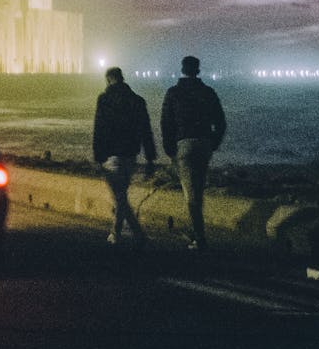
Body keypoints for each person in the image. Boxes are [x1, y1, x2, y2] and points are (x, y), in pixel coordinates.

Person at [161, 55, 227, 251]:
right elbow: (221, 122)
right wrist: (213, 143)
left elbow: (166, 123)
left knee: (191, 194)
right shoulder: (208, 92)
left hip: (184, 144)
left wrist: (169, 148)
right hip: (204, 144)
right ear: (198, 71)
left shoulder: (173, 93)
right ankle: (197, 231)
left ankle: (199, 237)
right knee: (198, 188)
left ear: (182, 69)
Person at [92, 67, 155, 249]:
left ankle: (130, 233)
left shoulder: (104, 100)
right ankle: (120, 233)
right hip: (131, 154)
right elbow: (146, 131)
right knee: (121, 195)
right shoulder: (137, 101)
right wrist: (150, 158)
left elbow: (99, 129)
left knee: (119, 197)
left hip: (111, 155)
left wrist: (97, 157)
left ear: (109, 79)